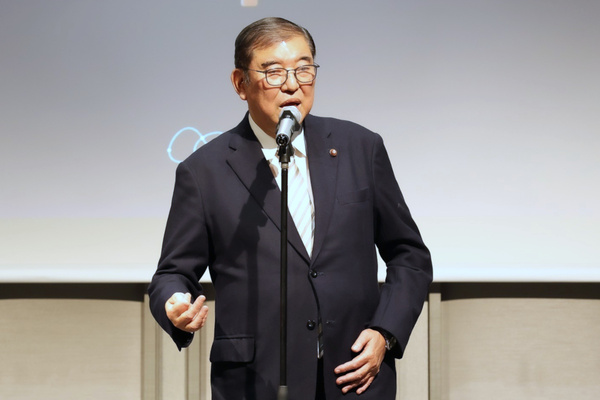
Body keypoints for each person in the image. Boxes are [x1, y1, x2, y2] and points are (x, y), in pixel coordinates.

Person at [148, 17, 432, 400]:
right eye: (273, 72)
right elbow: (172, 273)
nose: (292, 84)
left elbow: (410, 256)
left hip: (353, 377)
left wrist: (385, 332)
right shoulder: (204, 172)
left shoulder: (360, 147)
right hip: (256, 381)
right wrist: (175, 303)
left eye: (303, 68)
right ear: (240, 83)